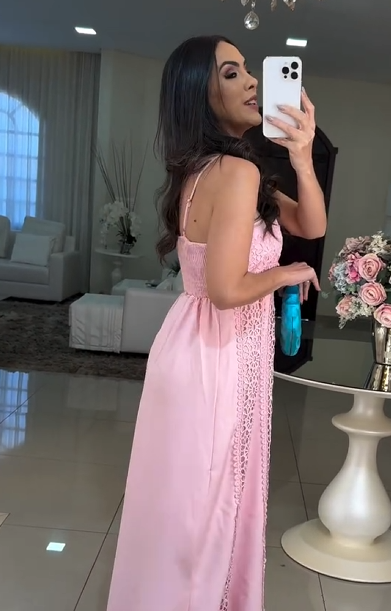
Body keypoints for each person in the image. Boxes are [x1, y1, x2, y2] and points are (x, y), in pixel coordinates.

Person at [106, 35, 327, 611]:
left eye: (247, 69)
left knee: (185, 506)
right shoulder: (235, 170)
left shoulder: (213, 168)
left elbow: (311, 223)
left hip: (198, 344)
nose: (252, 81)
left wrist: (302, 156)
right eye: (232, 73)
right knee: (206, 509)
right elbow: (228, 291)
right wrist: (285, 273)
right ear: (199, 96)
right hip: (219, 351)